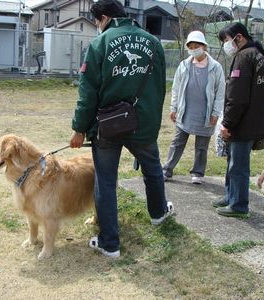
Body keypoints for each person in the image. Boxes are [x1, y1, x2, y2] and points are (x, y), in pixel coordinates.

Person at [69, 0, 172, 258]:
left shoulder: (99, 44)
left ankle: (110, 243)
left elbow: (87, 93)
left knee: (105, 182)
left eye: (96, 22)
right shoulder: (154, 42)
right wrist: (151, 121)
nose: (97, 27)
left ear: (103, 18)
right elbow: (160, 87)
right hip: (143, 124)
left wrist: (79, 128)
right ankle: (159, 214)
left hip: (108, 126)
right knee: (152, 170)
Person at [213, 22, 264, 218]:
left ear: (238, 38)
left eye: (226, 40)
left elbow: (237, 97)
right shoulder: (259, 56)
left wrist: (227, 123)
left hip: (242, 122)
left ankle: (238, 205)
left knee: (238, 165)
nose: (226, 45)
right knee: (234, 162)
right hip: (253, 120)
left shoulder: (244, 57)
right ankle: (230, 196)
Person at [163, 30, 225, 184]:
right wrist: (173, 107)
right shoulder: (184, 65)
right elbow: (176, 88)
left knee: (202, 146)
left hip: (206, 112)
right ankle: (166, 170)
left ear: (204, 46)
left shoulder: (216, 67)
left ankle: (197, 173)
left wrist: (216, 112)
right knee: (177, 142)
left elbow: (220, 92)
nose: (194, 49)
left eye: (197, 45)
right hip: (185, 110)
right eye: (191, 46)